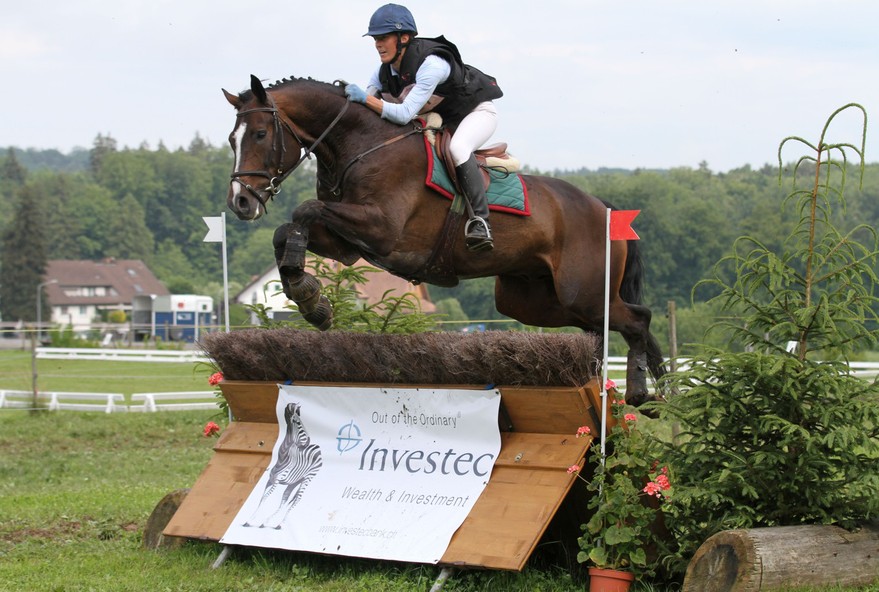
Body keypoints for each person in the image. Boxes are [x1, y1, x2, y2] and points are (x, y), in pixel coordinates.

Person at [345, 3, 503, 252]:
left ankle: (481, 221)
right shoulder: (382, 73)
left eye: (383, 37)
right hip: (441, 119)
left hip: (475, 114)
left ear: (404, 38)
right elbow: (369, 113)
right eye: (376, 38)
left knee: (459, 148)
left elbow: (404, 113)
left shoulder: (432, 64)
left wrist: (365, 99)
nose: (378, 44)